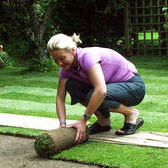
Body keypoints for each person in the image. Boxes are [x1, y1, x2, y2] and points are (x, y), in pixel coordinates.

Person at [47, 33, 146, 143]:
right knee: (72, 85)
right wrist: (62, 124)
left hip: (133, 87)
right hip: (111, 87)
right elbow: (60, 98)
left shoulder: (87, 56)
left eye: (62, 58)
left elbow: (101, 91)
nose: (59, 63)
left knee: (94, 94)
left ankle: (130, 113)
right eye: (55, 60)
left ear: (73, 50)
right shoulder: (66, 69)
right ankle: (103, 121)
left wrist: (83, 121)